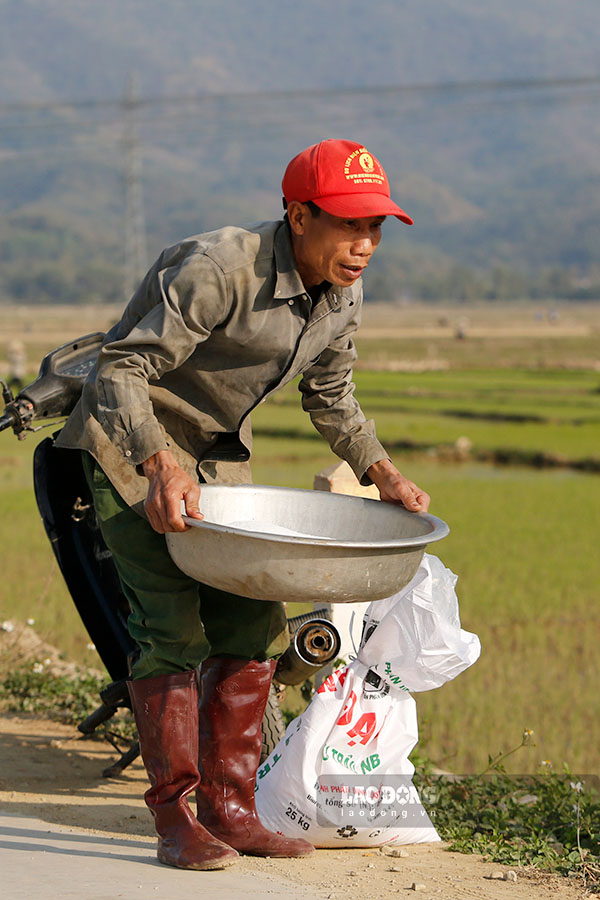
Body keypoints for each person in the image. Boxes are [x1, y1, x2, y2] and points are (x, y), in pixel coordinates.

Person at [56, 138, 431, 871]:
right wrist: (158, 461)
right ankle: (173, 815)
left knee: (250, 618)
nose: (365, 246)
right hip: (131, 447)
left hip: (215, 461)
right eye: (350, 225)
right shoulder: (218, 269)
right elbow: (121, 366)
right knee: (170, 625)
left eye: (376, 229)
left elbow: (331, 395)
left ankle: (228, 807)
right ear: (298, 215)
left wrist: (382, 472)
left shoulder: (341, 292)